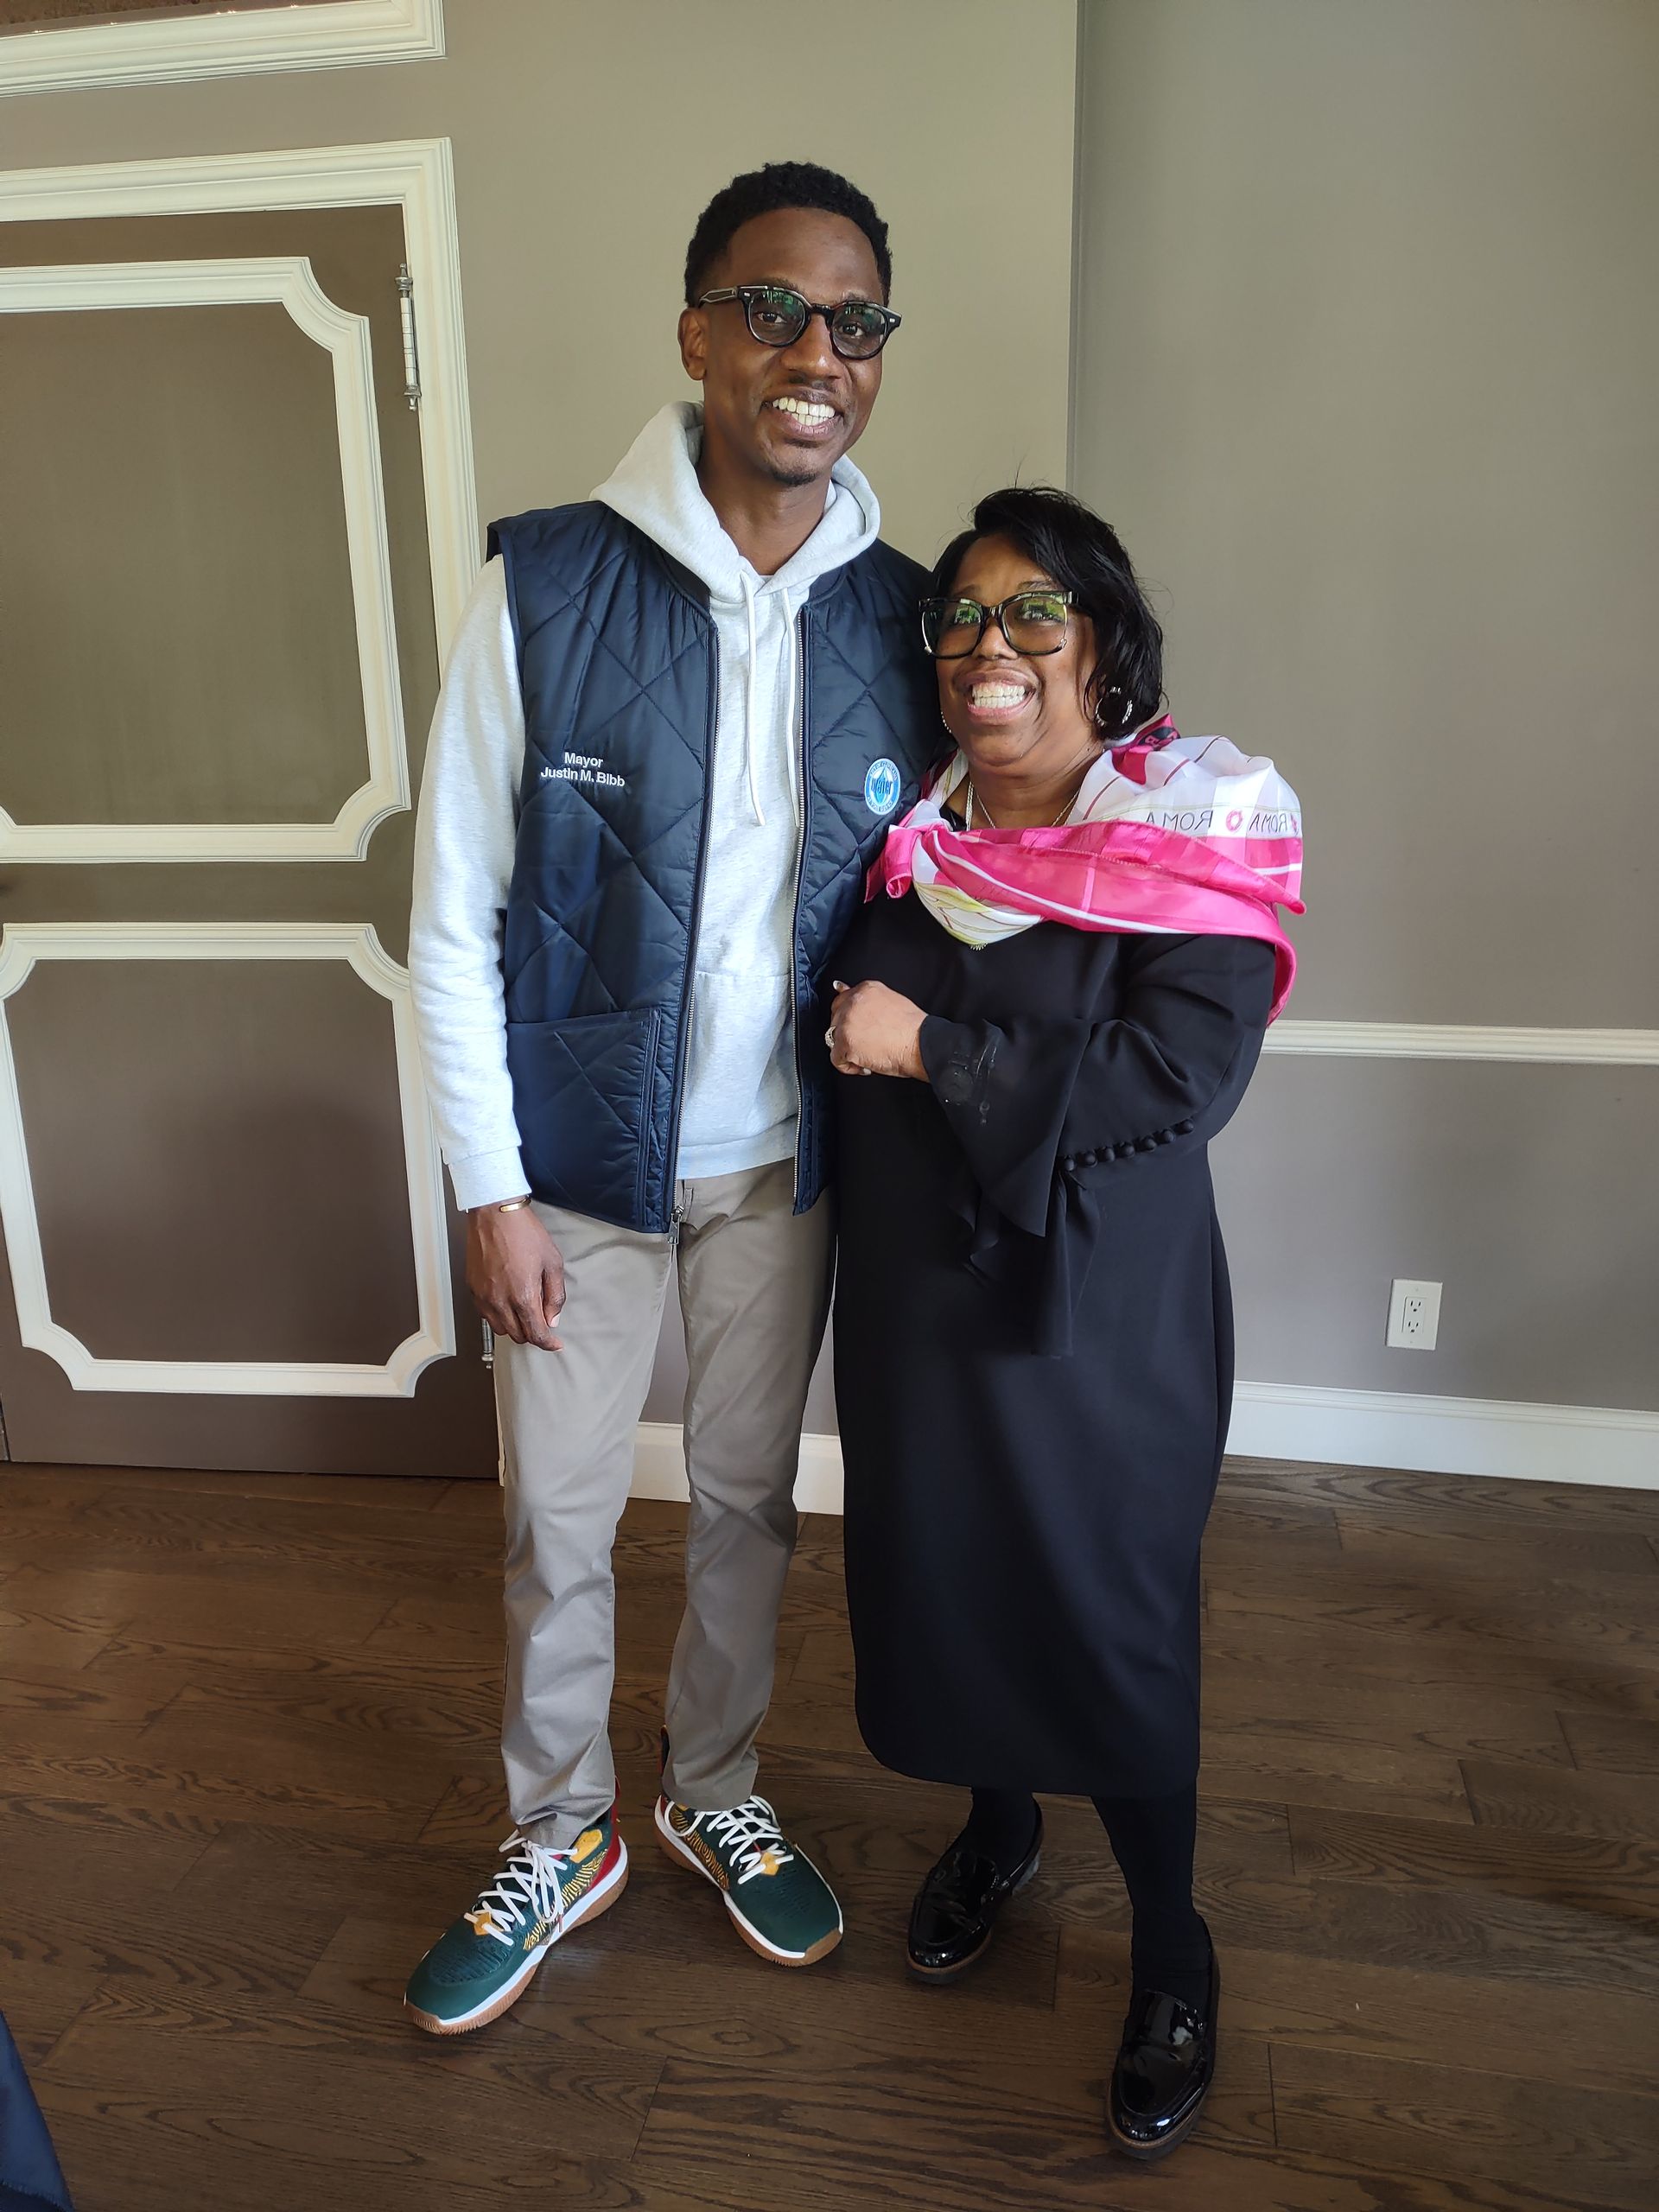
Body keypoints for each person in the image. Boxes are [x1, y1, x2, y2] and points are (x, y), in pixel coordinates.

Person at [402, 162, 937, 2036]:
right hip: (575, 1170)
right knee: (555, 1517)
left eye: (855, 320)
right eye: (777, 308)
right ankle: (565, 1826)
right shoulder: (545, 576)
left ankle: (714, 1788)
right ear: (698, 327)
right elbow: (450, 906)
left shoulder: (910, 616)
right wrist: (490, 1180)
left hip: (786, 1167)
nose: (817, 351)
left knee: (744, 1503)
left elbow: (993, 860)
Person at [826, 486, 1303, 2158]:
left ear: (1104, 645)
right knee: (950, 1580)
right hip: (919, 1308)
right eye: (960, 617)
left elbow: (1184, 1077)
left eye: (1035, 615)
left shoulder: (1195, 832)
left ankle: (1172, 1945)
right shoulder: (906, 833)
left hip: (1098, 1315)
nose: (988, 648)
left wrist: (929, 1049)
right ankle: (1000, 1823)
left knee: (1105, 1612)